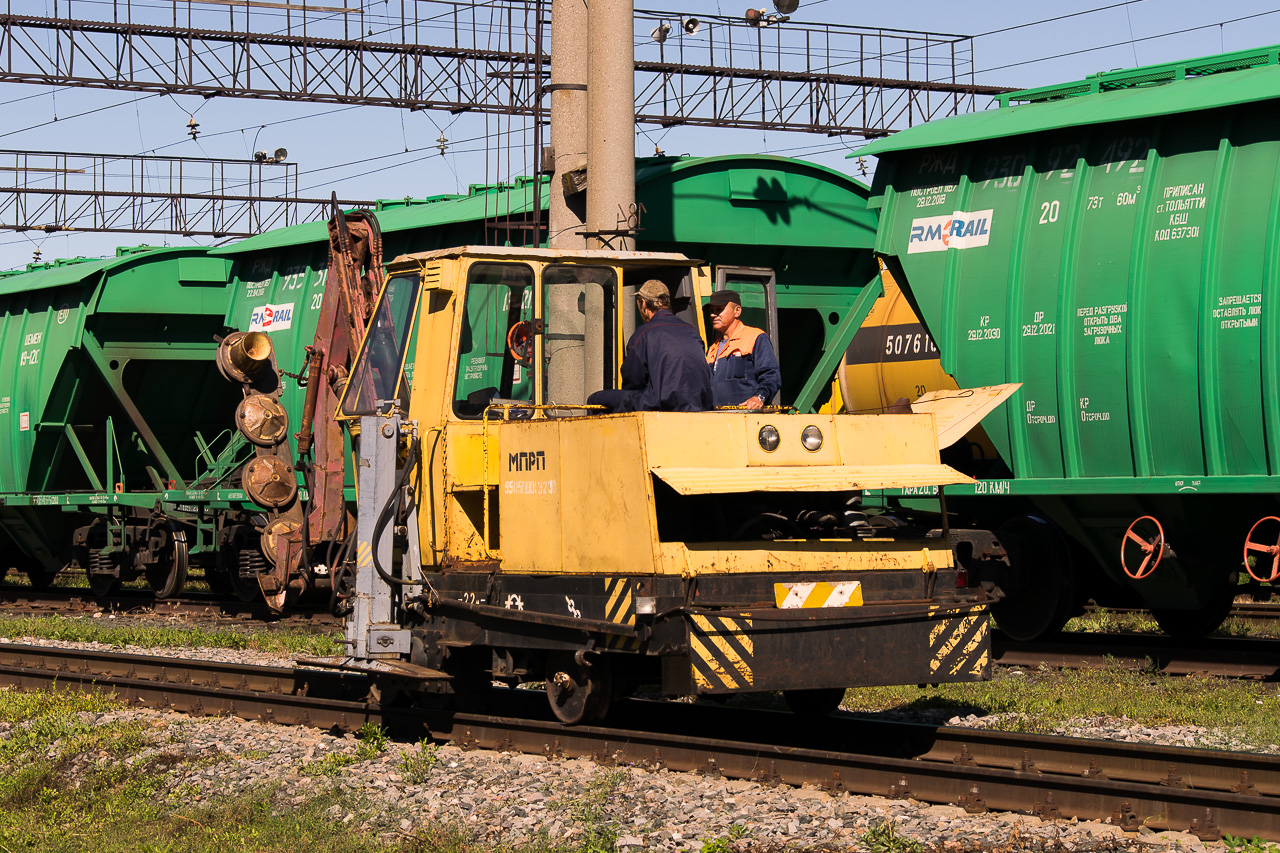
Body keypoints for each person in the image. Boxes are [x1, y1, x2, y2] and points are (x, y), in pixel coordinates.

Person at [586, 280, 713, 413]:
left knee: (595, 399)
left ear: (644, 303)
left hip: (658, 404)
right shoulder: (692, 331)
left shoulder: (644, 333)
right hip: (699, 405)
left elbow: (633, 381)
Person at [704, 289, 781, 409]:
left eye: (719, 309)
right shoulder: (713, 348)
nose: (713, 315)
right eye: (712, 310)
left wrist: (759, 397)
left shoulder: (755, 337)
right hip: (718, 419)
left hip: (746, 418)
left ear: (737, 311)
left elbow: (771, 376)